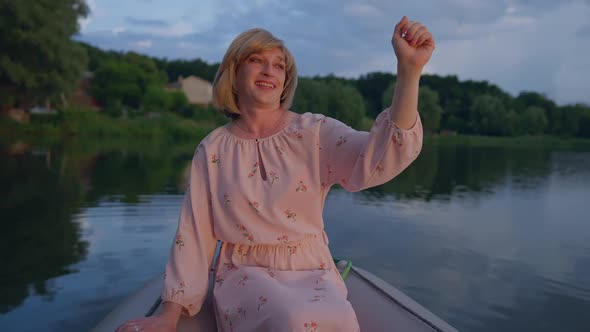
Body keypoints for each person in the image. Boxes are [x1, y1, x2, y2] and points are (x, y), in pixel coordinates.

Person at [116, 15, 434, 332]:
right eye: (257, 60)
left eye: (279, 65)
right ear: (234, 73)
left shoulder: (314, 132)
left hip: (313, 268)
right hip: (244, 272)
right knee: (290, 320)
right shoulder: (213, 149)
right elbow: (193, 235)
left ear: (285, 80)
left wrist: (409, 71)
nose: (270, 70)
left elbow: (378, 157)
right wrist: (169, 315)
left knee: (339, 320)